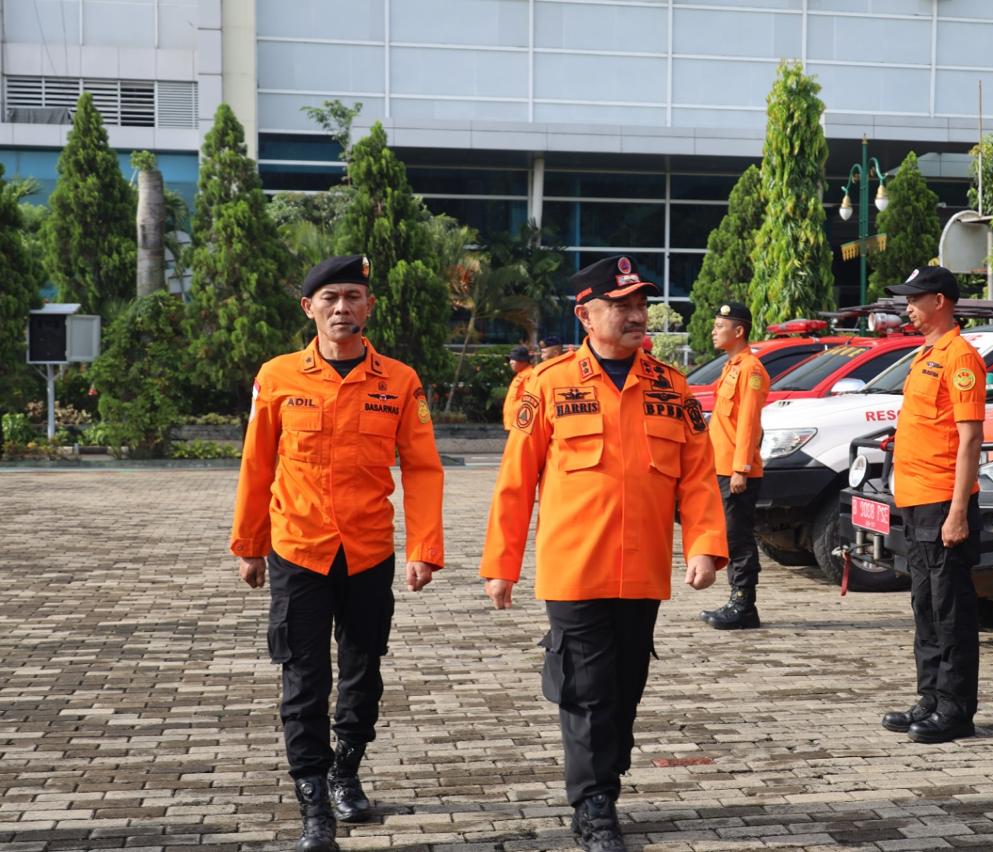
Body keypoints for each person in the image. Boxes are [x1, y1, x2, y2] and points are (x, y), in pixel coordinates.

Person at [479, 254, 728, 852]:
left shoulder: (671, 388)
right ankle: (593, 805)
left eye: (640, 304)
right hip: (574, 568)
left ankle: (603, 783)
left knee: (625, 685)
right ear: (586, 314)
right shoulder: (549, 385)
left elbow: (697, 476)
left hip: (642, 571)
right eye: (621, 306)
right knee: (588, 687)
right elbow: (516, 482)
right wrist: (501, 565)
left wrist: (704, 546)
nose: (636, 314)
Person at [230, 255, 445, 852]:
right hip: (297, 549)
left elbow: (424, 470)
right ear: (309, 308)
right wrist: (250, 545)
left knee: (362, 671)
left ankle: (345, 771)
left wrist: (425, 547)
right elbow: (257, 465)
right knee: (303, 679)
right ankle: (313, 802)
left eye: (353, 296)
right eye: (330, 298)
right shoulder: (276, 377)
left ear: (369, 306)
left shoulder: (399, 381)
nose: (342, 308)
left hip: (368, 551)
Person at [878, 266, 985, 745]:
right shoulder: (926, 355)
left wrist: (958, 511)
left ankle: (955, 709)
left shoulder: (961, 357)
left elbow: (970, 440)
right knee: (925, 605)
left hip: (944, 501)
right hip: (916, 499)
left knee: (951, 609)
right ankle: (930, 697)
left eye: (914, 300)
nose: (908, 309)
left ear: (939, 301)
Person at [699, 301, 770, 629]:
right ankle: (737, 600)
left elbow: (748, 423)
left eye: (720, 326)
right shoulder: (730, 367)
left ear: (738, 331)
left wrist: (742, 467)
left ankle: (744, 606)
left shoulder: (751, 370)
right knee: (731, 536)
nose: (714, 331)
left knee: (738, 538)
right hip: (722, 466)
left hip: (737, 471)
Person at [503, 345, 534, 430]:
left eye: (514, 359)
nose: (510, 362)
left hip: (521, 424)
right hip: (516, 423)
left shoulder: (530, 376)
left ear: (523, 361)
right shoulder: (520, 375)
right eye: (510, 360)